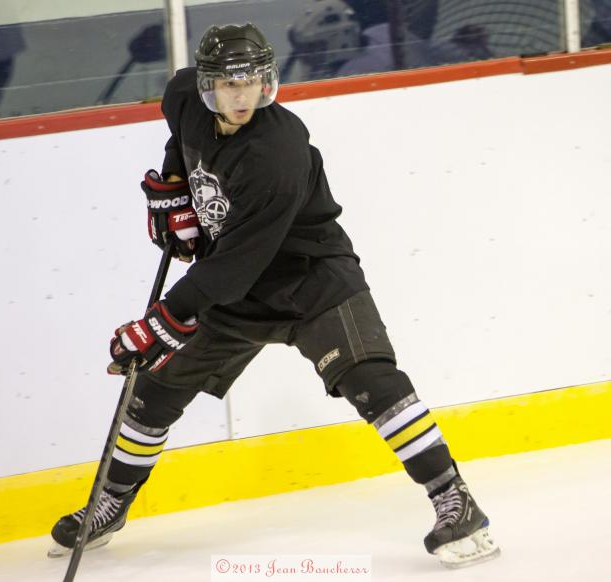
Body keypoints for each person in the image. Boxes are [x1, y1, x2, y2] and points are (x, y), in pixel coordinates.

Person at [49, 22, 500, 568]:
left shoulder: (276, 152)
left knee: (371, 382)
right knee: (156, 390)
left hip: (310, 279)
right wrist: (171, 193)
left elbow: (236, 266)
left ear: (268, 82)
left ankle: (454, 498)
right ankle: (110, 503)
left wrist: (163, 321)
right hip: (235, 287)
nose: (242, 98)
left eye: (252, 83)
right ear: (206, 85)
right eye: (228, 86)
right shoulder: (182, 96)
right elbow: (181, 141)